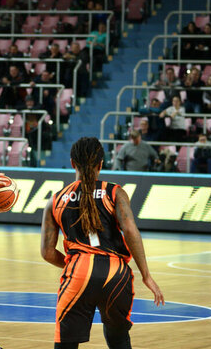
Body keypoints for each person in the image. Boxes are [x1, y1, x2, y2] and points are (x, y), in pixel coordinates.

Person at [41, 137, 164, 349]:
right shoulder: (115, 192)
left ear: (72, 163)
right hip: (116, 274)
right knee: (119, 341)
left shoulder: (55, 200)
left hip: (78, 273)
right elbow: (131, 231)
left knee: (66, 346)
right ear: (101, 163)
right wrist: (146, 275)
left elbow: (47, 252)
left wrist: (75, 266)